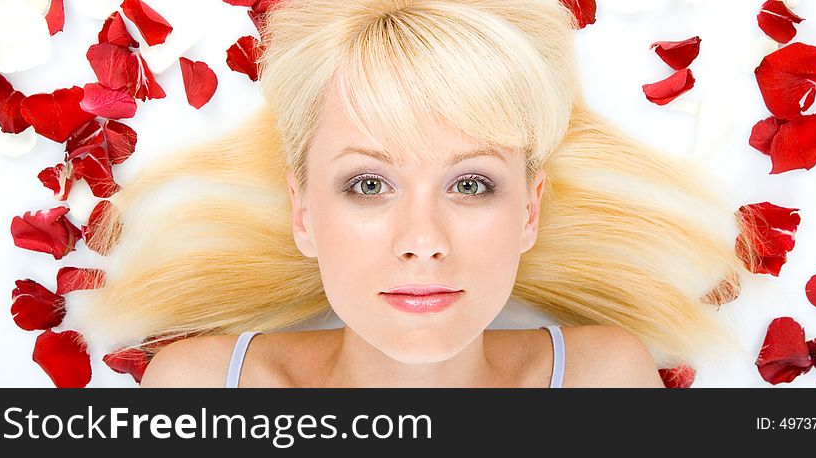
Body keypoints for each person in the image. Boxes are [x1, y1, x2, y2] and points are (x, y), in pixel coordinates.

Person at [72, 0, 756, 388]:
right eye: (369, 185)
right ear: (303, 214)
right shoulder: (198, 395)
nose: (423, 241)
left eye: (470, 184)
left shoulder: (603, 381)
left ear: (529, 211)